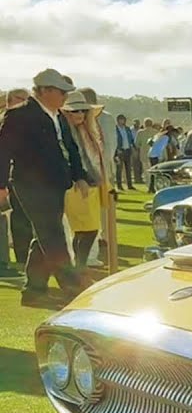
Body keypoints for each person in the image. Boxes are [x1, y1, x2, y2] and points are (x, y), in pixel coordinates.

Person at [0, 68, 90, 308]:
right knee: (52, 235)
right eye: (61, 92)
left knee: (43, 236)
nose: (64, 97)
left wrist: (79, 176)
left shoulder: (59, 116)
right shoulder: (19, 115)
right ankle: (72, 287)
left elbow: (70, 148)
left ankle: (34, 291)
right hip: (29, 185)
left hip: (56, 184)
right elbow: (3, 151)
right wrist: (0, 185)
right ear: (46, 91)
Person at [60, 91, 111, 268]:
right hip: (76, 183)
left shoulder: (88, 130)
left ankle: (78, 266)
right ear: (66, 113)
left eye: (83, 110)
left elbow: (97, 158)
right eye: (75, 111)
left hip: (92, 182)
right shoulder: (64, 131)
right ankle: (79, 266)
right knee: (87, 229)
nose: (80, 114)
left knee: (86, 229)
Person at [2, 88, 34, 277]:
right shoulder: (6, 120)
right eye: (19, 99)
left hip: (26, 176)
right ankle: (20, 256)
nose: (23, 102)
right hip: (9, 177)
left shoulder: (29, 122)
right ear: (9, 101)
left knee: (26, 216)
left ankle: (24, 255)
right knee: (18, 216)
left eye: (26, 99)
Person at [111, 114, 136, 190]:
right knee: (119, 169)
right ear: (118, 120)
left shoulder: (127, 129)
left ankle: (129, 185)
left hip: (128, 150)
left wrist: (134, 147)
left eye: (123, 120)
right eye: (121, 120)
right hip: (119, 150)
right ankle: (119, 185)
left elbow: (131, 139)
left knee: (128, 168)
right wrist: (116, 150)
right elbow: (114, 140)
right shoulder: (115, 129)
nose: (122, 121)